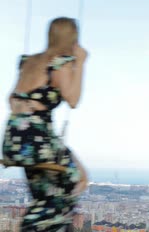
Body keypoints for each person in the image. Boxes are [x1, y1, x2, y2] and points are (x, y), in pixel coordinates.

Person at [2, 17, 89, 232]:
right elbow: (73, 99)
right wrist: (79, 63)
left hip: (14, 139)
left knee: (44, 195)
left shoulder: (28, 61)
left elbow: (11, 99)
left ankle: (36, 225)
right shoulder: (59, 63)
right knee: (77, 179)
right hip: (37, 140)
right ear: (72, 38)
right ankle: (41, 226)